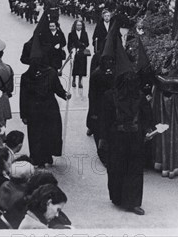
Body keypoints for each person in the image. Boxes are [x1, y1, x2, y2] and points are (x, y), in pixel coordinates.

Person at [98, 21, 154, 216]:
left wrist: (148, 130)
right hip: (117, 137)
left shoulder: (138, 97)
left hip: (134, 137)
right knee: (117, 168)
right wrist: (103, 139)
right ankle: (117, 196)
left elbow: (147, 116)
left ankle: (132, 201)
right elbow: (104, 121)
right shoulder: (109, 97)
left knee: (134, 170)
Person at [19, 32, 71, 168]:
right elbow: (23, 96)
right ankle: (38, 158)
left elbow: (57, 88)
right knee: (41, 133)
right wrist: (23, 114)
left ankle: (46, 156)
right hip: (45, 108)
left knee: (46, 133)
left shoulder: (48, 73)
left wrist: (65, 94)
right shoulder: (29, 76)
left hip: (40, 109)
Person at [67, 18, 90, 88]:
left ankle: (80, 81)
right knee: (75, 67)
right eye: (77, 25)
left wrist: (83, 45)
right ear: (75, 26)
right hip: (75, 52)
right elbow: (69, 44)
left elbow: (87, 43)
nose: (79, 27)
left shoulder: (84, 33)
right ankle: (73, 80)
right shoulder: (71, 34)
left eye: (80, 25)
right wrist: (72, 49)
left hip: (82, 52)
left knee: (82, 67)